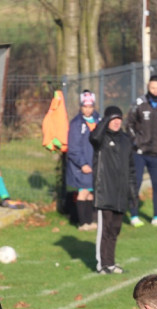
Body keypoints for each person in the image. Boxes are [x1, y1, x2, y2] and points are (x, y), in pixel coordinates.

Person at [89, 105, 136, 274]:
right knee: (105, 229)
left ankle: (111, 263)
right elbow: (93, 137)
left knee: (115, 229)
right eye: (113, 119)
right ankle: (102, 264)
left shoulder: (125, 140)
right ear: (106, 120)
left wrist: (132, 192)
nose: (116, 122)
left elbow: (131, 168)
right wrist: (103, 121)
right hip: (105, 192)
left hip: (120, 193)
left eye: (119, 119)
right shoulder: (100, 138)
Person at [127, 74, 157, 228]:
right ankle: (134, 215)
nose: (155, 90)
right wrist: (136, 142)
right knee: (137, 183)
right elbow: (129, 124)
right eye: (153, 87)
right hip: (140, 153)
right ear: (148, 87)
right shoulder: (139, 104)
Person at [66, 90, 99, 231]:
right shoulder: (76, 123)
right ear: (81, 107)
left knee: (91, 193)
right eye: (85, 106)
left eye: (90, 106)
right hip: (81, 165)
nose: (88, 109)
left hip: (94, 163)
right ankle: (83, 223)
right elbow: (73, 147)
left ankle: (90, 221)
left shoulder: (98, 120)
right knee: (83, 192)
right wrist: (82, 163)